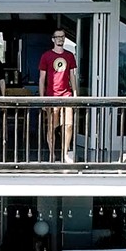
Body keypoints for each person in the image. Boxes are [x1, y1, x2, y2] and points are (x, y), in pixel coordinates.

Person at [39, 28, 78, 163]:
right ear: (53, 39)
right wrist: (42, 98)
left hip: (66, 95)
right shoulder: (46, 56)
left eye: (62, 36)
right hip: (51, 95)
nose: (60, 39)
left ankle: (66, 153)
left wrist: (75, 94)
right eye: (58, 37)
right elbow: (42, 78)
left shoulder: (70, 55)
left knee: (69, 125)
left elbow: (72, 76)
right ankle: (52, 153)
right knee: (52, 126)